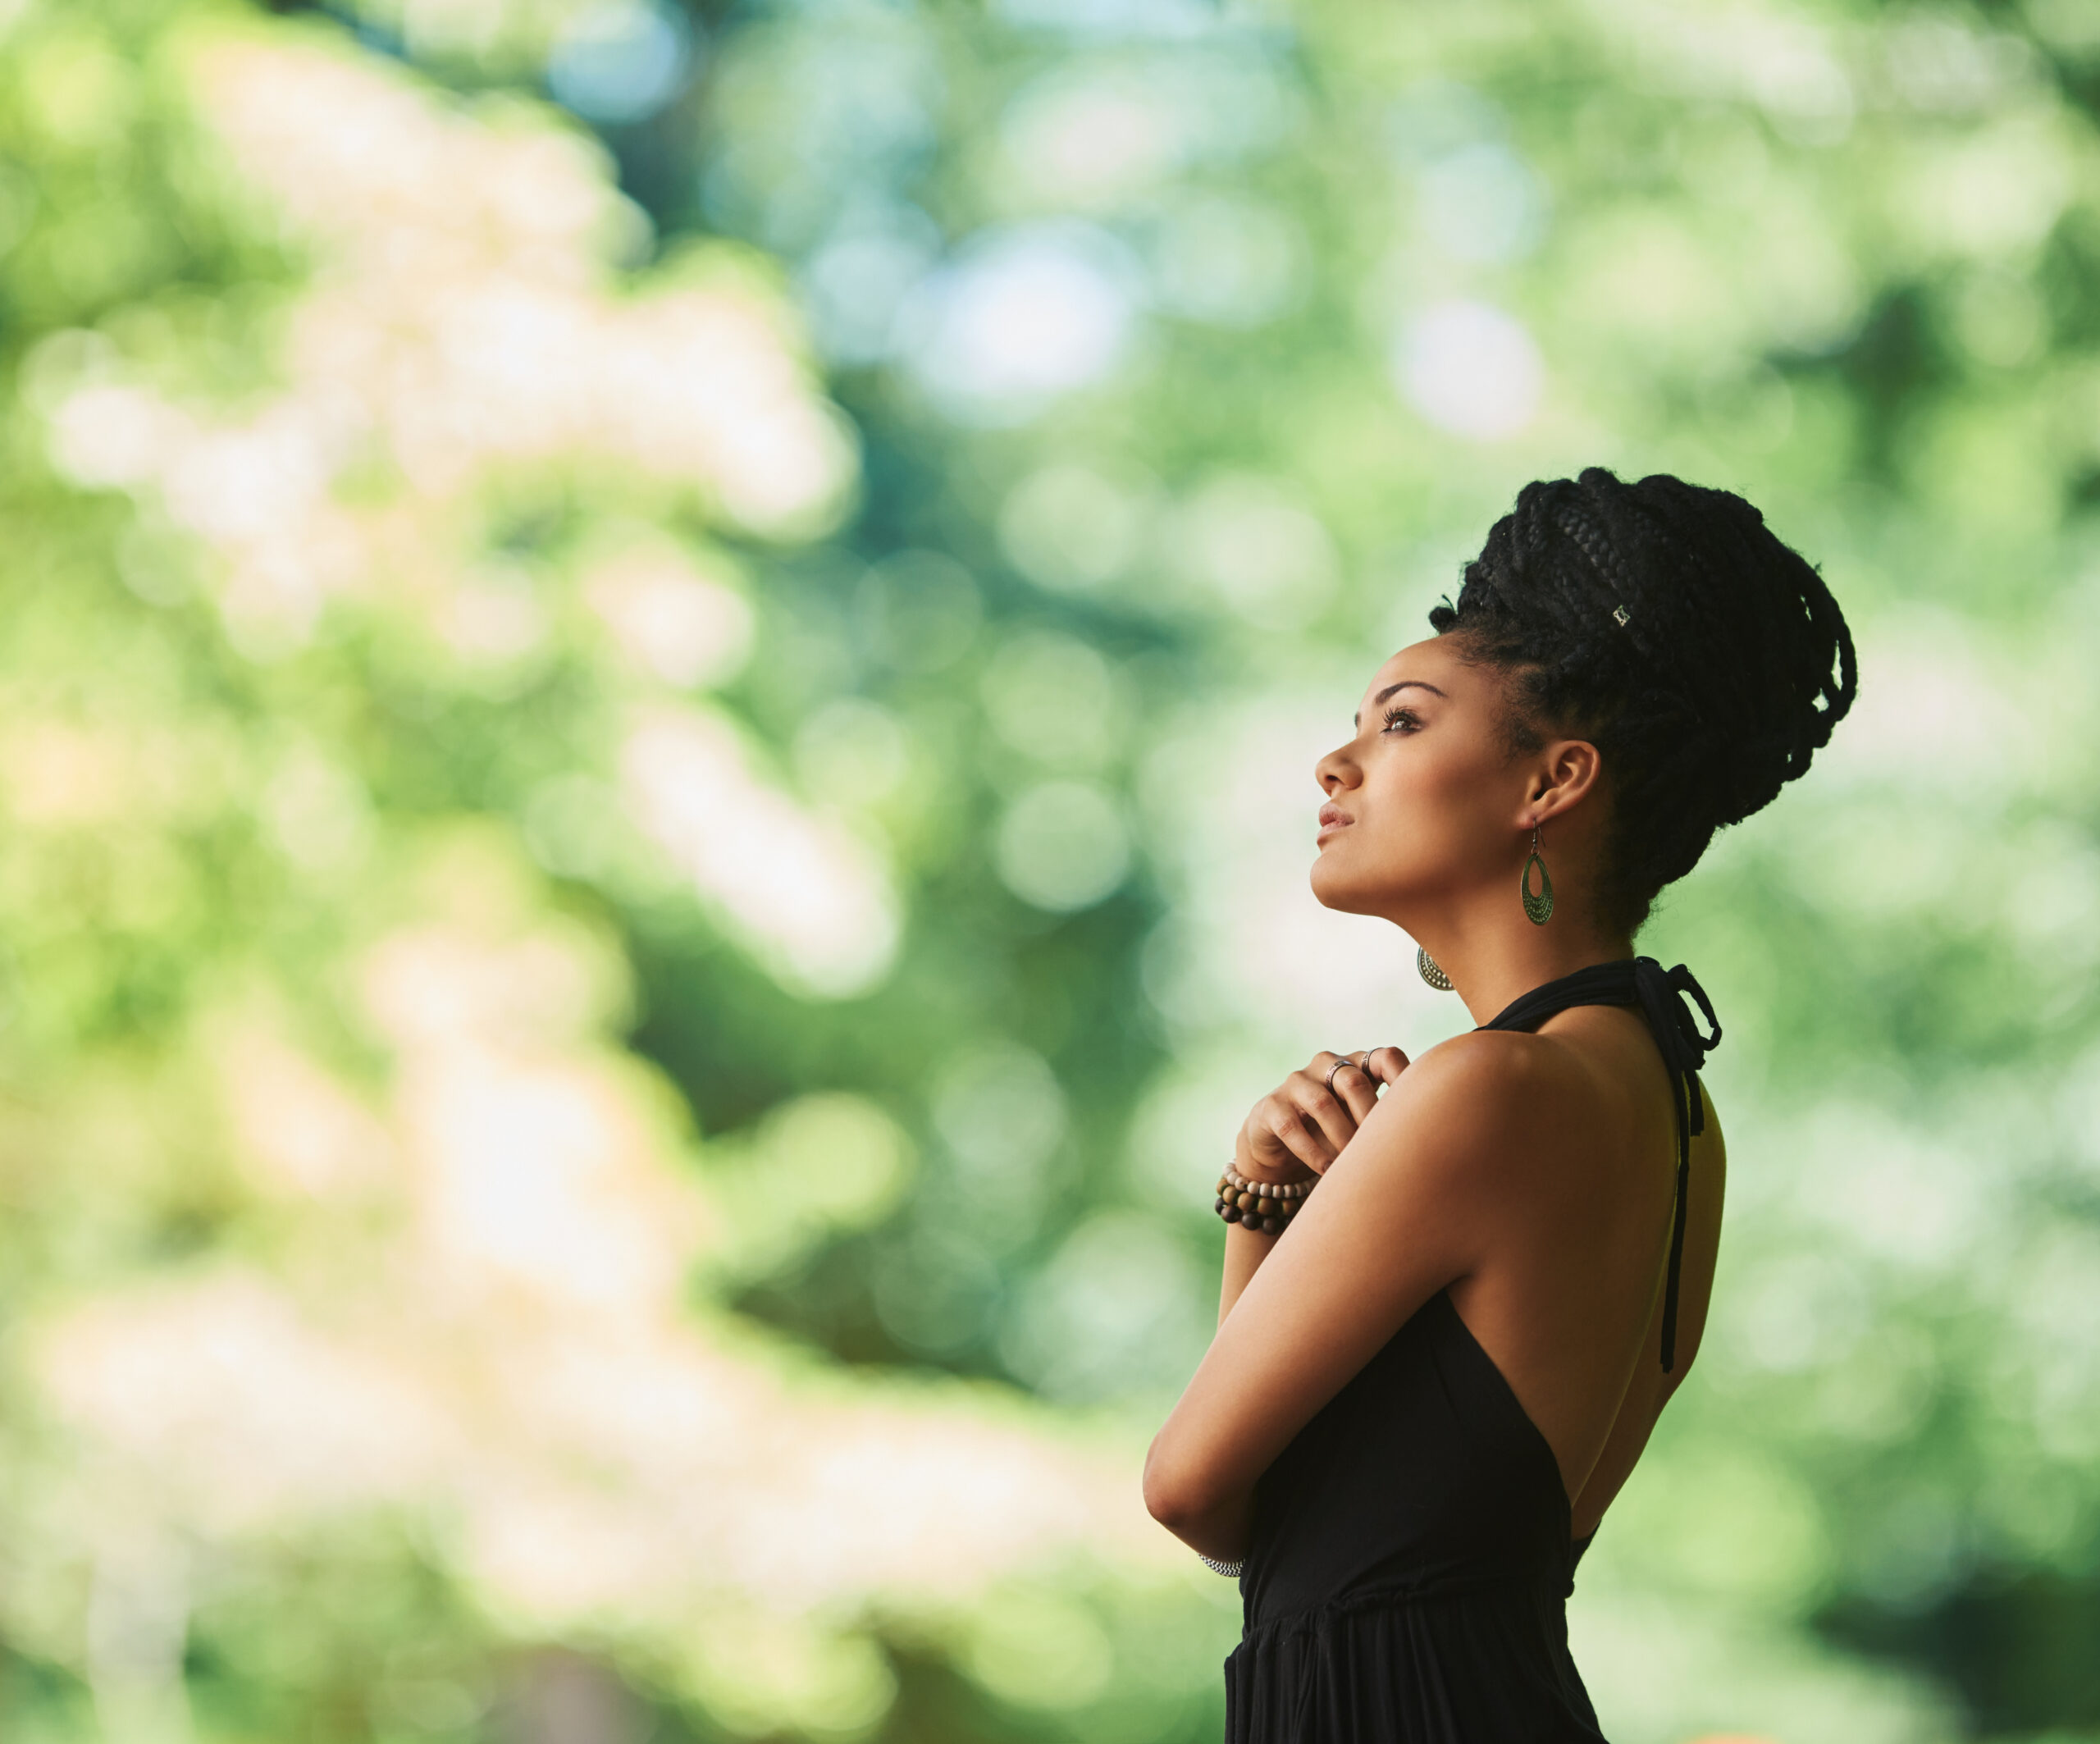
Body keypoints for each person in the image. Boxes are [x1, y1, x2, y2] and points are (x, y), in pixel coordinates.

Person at [1142, 468, 1857, 1742]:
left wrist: (1259, 1209)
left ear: (1552, 782)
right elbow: (1330, 1520)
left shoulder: (1486, 1089)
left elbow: (1199, 1491)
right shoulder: (1680, 1111)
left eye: (1404, 722)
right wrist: (1271, 1193)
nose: (1339, 757)